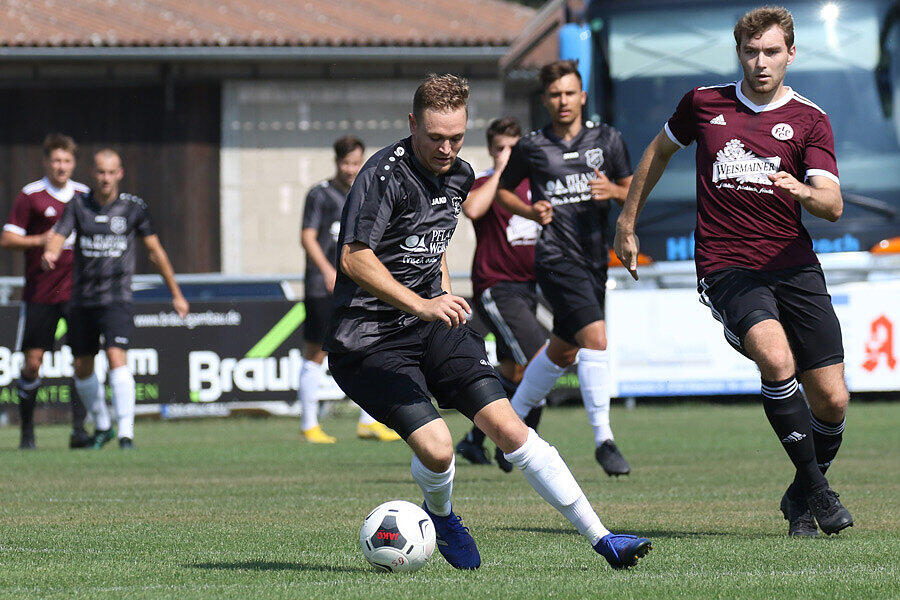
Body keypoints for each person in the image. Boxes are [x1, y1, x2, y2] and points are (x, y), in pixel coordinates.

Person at [323, 73, 652, 570]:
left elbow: (431, 245)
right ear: (412, 124)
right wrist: (421, 304)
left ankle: (603, 538)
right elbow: (354, 258)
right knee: (438, 450)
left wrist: (441, 293)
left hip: (432, 324)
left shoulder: (459, 175)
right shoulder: (383, 175)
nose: (446, 148)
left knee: (509, 428)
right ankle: (442, 515)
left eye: (456, 137)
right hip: (367, 341)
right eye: (435, 137)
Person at [614, 6, 852, 536]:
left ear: (791, 54)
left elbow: (833, 205)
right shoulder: (704, 104)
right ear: (739, 53)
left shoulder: (811, 119)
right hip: (727, 263)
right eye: (751, 52)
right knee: (775, 356)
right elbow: (658, 151)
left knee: (833, 400)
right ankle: (819, 492)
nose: (761, 62)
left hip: (793, 264)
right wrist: (627, 222)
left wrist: (802, 190)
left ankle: (801, 494)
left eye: (772, 52)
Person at [496, 60, 635, 476]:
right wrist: (530, 210)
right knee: (595, 339)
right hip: (555, 259)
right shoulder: (532, 145)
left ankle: (509, 429)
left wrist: (612, 191)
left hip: (594, 259)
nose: (563, 101)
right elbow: (503, 192)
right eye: (555, 94)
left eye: (569, 93)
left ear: (582, 96)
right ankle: (604, 441)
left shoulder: (607, 139)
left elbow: (631, 190)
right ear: (545, 100)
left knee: (563, 348)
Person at [42, 149, 189, 450]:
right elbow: (58, 236)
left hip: (117, 297)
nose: (106, 178)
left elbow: (156, 253)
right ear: (92, 173)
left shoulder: (133, 208)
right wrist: (50, 253)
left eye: (111, 173)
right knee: (82, 366)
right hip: (82, 299)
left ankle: (126, 434)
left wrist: (176, 293)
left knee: (115, 355)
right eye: (101, 172)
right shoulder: (78, 205)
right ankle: (103, 425)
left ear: (120, 174)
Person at [453, 117, 548, 472]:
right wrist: (501, 172)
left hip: (528, 287)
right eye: (500, 148)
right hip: (497, 286)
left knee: (514, 372)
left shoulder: (534, 183)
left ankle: (474, 440)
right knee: (540, 361)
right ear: (491, 150)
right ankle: (522, 444)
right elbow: (472, 209)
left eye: (513, 147)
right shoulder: (484, 183)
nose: (506, 153)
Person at [298, 135, 400, 443]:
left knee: (369, 347)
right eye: (346, 163)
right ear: (336, 162)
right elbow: (307, 237)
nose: (351, 169)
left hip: (356, 285)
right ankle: (309, 425)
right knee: (316, 352)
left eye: (356, 163)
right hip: (322, 285)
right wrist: (327, 270)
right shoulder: (320, 194)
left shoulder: (367, 192)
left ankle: (368, 421)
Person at [1, 133, 91, 450]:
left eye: (66, 160)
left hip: (77, 293)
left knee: (82, 360)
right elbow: (7, 238)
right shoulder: (31, 195)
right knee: (33, 362)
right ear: (46, 162)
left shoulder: (84, 195)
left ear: (74, 163)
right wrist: (40, 240)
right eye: (56, 160)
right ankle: (27, 432)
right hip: (41, 291)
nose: (61, 166)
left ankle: (79, 431)